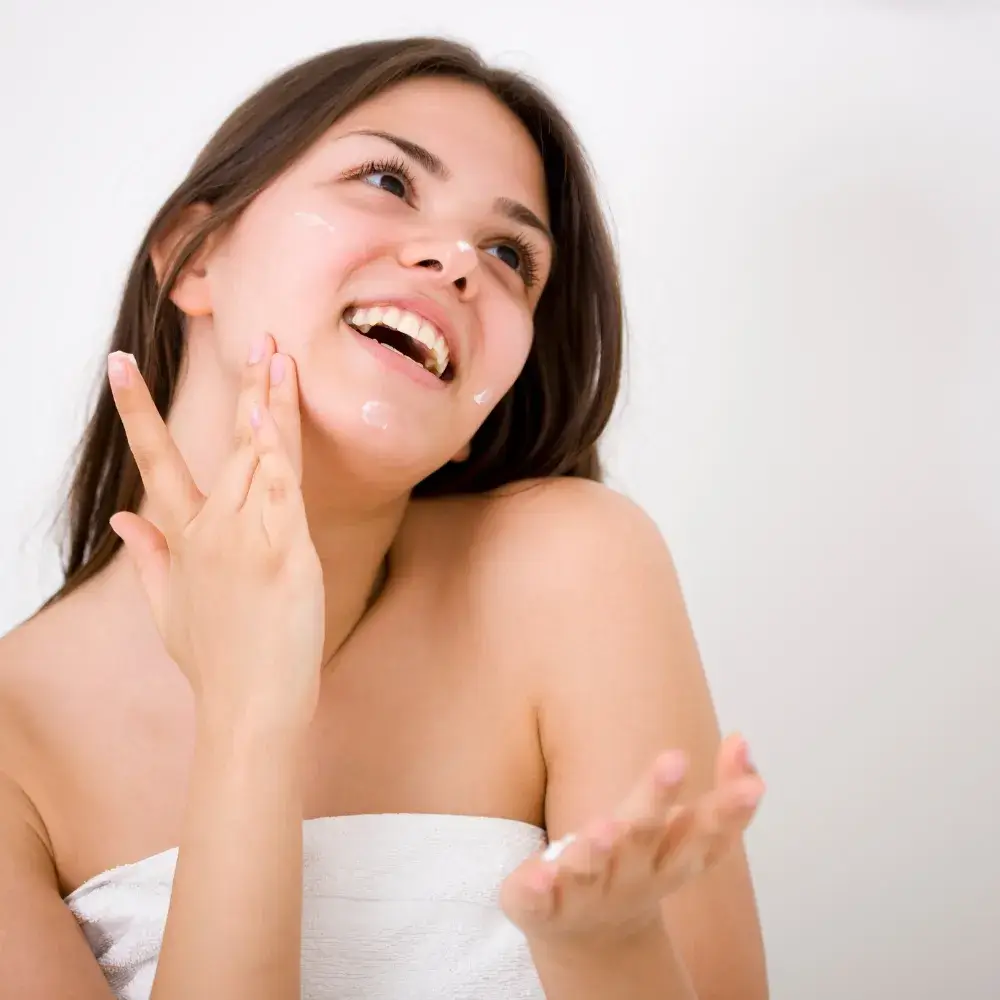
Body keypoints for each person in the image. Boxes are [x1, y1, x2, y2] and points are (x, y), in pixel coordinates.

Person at [0, 36, 768, 1000]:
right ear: (195, 258)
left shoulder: (574, 567)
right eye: (386, 179)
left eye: (508, 254)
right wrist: (250, 720)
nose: (456, 262)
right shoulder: (13, 745)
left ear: (477, 413)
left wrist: (604, 950)